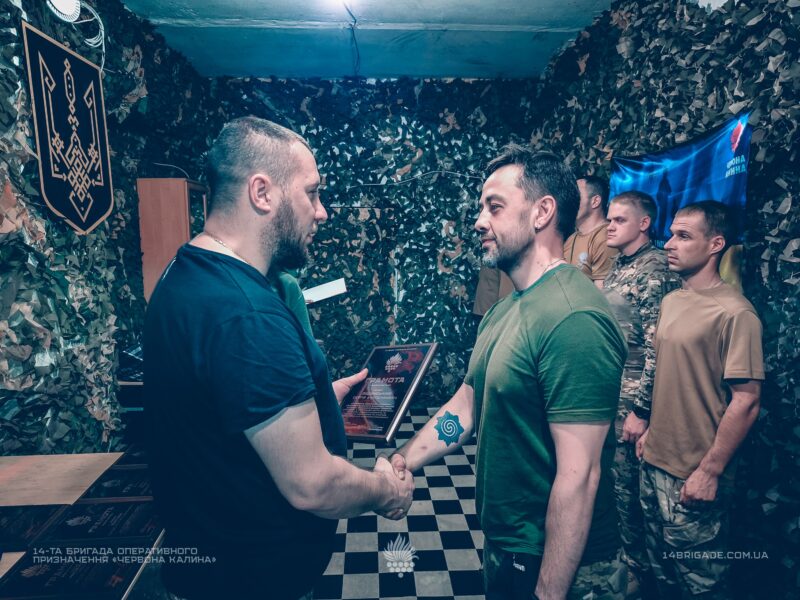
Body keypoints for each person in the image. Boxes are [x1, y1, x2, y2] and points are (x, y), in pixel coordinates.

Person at [143, 116, 413, 600]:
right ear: (262, 192)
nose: (322, 212)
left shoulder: (184, 275)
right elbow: (312, 485)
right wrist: (385, 490)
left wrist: (320, 399)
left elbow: (226, 406)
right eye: (312, 193)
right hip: (251, 582)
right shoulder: (248, 314)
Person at [390, 144, 628, 599]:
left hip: (560, 560)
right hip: (506, 543)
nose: (479, 221)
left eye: (494, 207)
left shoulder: (573, 317)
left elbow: (580, 476)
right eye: (482, 208)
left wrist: (549, 592)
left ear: (542, 212)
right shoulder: (505, 309)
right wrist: (404, 460)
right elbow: (466, 406)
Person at [636, 201, 763, 599]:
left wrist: (710, 471)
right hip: (653, 463)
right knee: (662, 577)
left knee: (701, 586)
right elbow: (672, 376)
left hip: (692, 473)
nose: (669, 244)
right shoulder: (672, 300)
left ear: (715, 244)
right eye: (671, 234)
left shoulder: (735, 313)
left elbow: (747, 401)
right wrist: (651, 430)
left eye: (684, 236)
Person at [602, 191, 680, 598]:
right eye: (609, 219)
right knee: (619, 490)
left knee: (636, 495)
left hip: (633, 401)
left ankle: (644, 575)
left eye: (619, 220)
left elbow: (656, 346)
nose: (609, 225)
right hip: (613, 395)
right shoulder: (621, 265)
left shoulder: (655, 269)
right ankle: (631, 563)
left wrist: (641, 409)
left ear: (644, 224)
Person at [564, 175, 618, 289]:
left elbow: (602, 293)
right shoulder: (571, 239)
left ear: (595, 201)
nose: (569, 201)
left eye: (576, 195)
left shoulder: (606, 237)